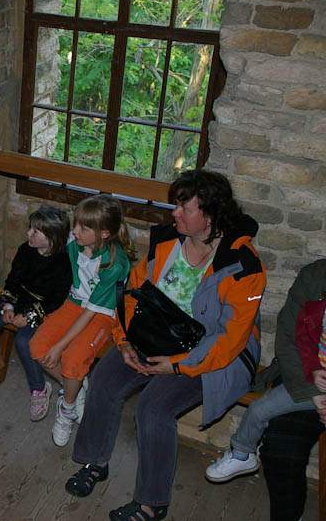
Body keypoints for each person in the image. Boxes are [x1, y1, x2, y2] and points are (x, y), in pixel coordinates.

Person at [64, 170, 266, 521]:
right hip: (154, 333)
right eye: (176, 205)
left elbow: (229, 339)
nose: (175, 213)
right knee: (105, 378)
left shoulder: (242, 265)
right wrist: (124, 340)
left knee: (154, 408)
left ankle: (151, 503)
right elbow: (133, 293)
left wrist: (176, 366)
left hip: (207, 352)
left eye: (184, 207)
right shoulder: (166, 242)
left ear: (210, 215)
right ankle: (94, 462)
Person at [206, 263, 326, 483]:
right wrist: (313, 376)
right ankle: (242, 453)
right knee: (258, 409)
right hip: (314, 384)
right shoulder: (316, 291)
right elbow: (301, 341)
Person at [28, 195, 133, 446]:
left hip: (101, 314)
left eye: (83, 228)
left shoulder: (115, 264)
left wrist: (60, 346)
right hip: (74, 304)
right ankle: (74, 386)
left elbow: (90, 312)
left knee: (72, 359)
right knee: (36, 347)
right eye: (75, 223)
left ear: (104, 233)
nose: (75, 230)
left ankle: (67, 407)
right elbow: (53, 238)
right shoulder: (75, 242)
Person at [0, 205, 72, 422]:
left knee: (24, 342)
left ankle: (39, 388)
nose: (28, 233)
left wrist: (30, 316)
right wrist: (8, 306)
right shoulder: (25, 250)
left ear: (52, 238)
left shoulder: (62, 263)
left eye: (35, 231)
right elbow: (13, 280)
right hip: (16, 301)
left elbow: (55, 301)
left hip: (41, 309)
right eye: (30, 228)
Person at [251, 258, 326, 520]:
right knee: (280, 450)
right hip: (306, 380)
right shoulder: (315, 275)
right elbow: (288, 338)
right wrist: (312, 393)